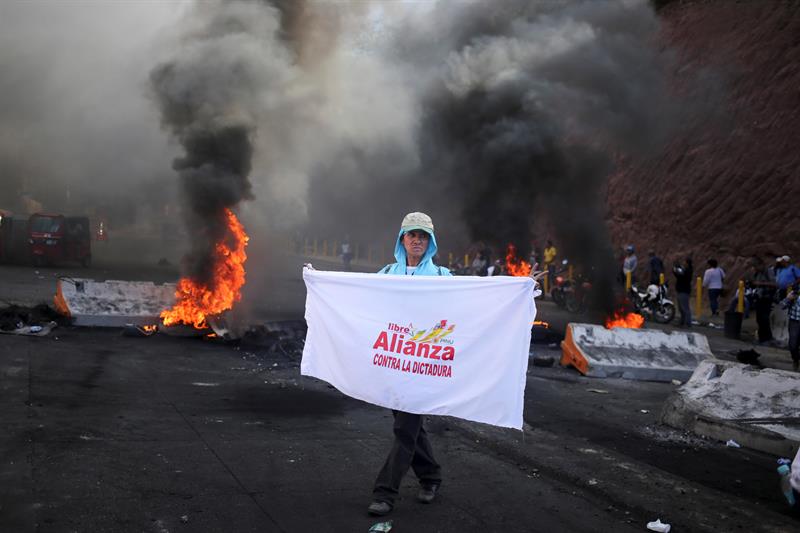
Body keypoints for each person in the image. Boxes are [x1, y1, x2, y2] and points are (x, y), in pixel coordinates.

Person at [368, 212, 450, 516]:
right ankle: (431, 477)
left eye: (423, 236)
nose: (417, 240)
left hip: (423, 368)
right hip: (392, 364)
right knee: (411, 428)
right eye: (412, 235)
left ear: (431, 242)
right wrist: (319, 281)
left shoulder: (443, 277)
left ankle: (384, 494)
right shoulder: (387, 273)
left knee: (405, 429)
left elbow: (476, 301)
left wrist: (518, 289)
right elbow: (359, 300)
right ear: (402, 239)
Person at [780, 282, 800, 372]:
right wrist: (788, 299)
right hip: (794, 322)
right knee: (793, 345)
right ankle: (796, 360)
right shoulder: (794, 293)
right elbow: (782, 306)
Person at [673, 257, 693, 327]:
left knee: (684, 308)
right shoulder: (688, 270)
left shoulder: (687, 271)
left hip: (683, 290)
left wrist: (675, 269)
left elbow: (680, 275)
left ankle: (687, 323)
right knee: (682, 308)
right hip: (683, 290)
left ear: (687, 263)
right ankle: (683, 322)